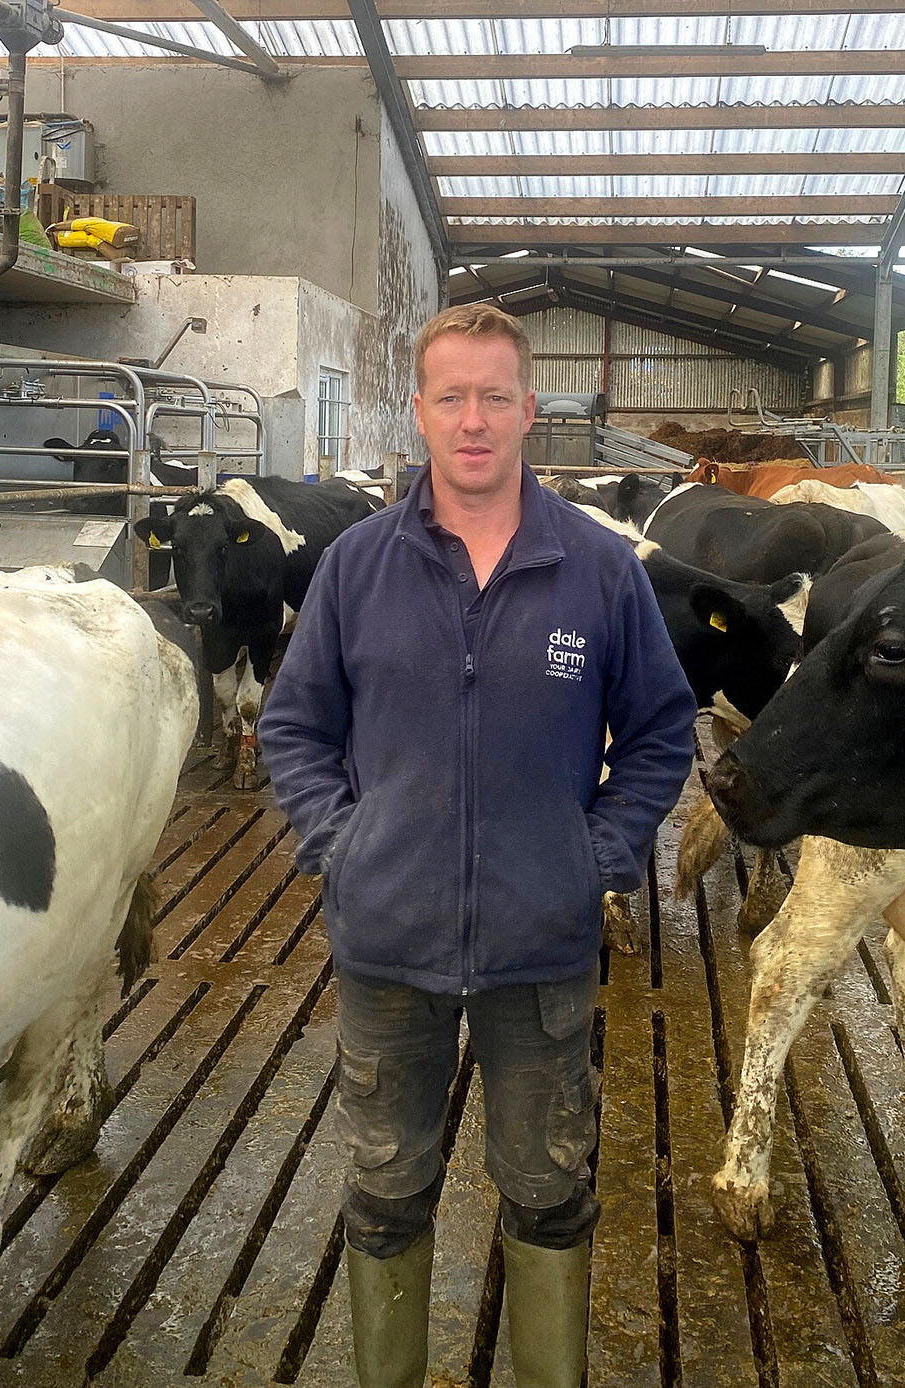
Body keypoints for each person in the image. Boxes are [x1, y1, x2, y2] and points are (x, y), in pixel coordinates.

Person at [258, 304, 696, 1388]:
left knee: (548, 1188)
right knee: (385, 1184)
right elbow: (293, 725)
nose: (473, 419)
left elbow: (661, 730)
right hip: (389, 945)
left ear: (528, 411)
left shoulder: (599, 569)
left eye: (495, 395)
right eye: (450, 395)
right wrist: (342, 841)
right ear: (418, 413)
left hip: (539, 950)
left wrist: (592, 853)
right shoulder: (357, 567)